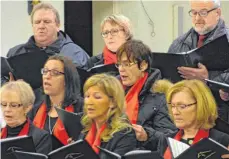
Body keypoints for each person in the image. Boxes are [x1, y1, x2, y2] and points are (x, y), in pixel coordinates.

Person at [168, 0, 229, 122]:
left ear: (218, 13)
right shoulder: (179, 43)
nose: (197, 18)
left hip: (221, 117)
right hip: (187, 117)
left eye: (203, 12)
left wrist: (208, 77)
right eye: (194, 12)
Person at [116, 39, 177, 151]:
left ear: (143, 65)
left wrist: (147, 136)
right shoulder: (113, 92)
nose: (121, 69)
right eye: (119, 64)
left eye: (127, 64)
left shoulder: (161, 96)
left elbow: (170, 140)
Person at [153, 79, 229, 159]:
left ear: (201, 105)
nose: (175, 112)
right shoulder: (166, 140)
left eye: (182, 106)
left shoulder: (222, 140)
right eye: (173, 106)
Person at [6, 2, 89, 70]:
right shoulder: (15, 53)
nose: (41, 26)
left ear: (57, 25)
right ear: (32, 25)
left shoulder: (76, 55)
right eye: (37, 22)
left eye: (46, 22)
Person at [29, 55, 83, 150]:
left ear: (67, 79)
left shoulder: (81, 108)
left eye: (55, 73)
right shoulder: (35, 109)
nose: (47, 76)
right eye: (45, 71)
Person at [79, 74, 137, 159]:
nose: (89, 102)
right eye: (87, 96)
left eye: (97, 97)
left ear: (112, 102)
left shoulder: (124, 134)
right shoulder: (85, 130)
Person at [0, 81, 52, 155]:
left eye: (14, 105)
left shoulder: (41, 137)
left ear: (27, 107)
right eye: (4, 104)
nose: (7, 109)